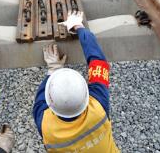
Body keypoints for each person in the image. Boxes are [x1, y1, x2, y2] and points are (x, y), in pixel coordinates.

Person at [33, 11, 119, 152]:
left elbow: (40, 100)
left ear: (50, 101)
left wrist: (53, 68)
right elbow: (98, 61)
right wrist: (78, 26)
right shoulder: (98, 107)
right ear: (87, 93)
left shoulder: (46, 127)